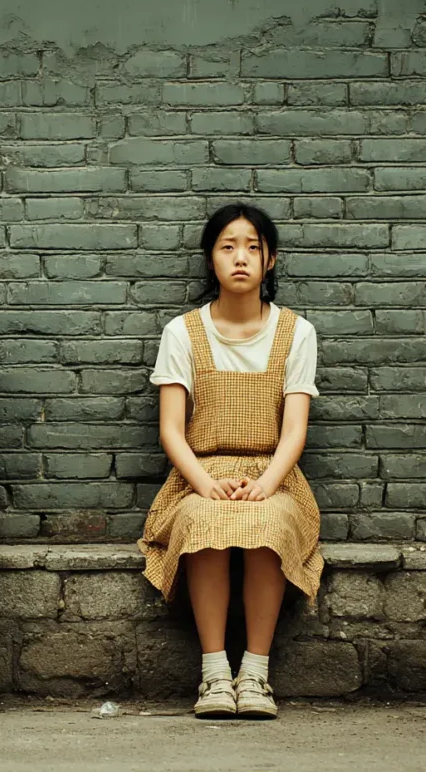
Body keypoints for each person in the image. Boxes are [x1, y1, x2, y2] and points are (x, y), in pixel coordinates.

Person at [139, 202, 323, 720]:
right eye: (227, 247)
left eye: (252, 248)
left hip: (274, 475)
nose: (240, 258)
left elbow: (295, 430)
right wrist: (204, 483)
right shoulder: (182, 332)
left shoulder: (296, 332)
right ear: (210, 259)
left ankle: (256, 673)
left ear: (270, 260)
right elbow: (171, 430)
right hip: (199, 475)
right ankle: (216, 672)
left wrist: (266, 484)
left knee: (268, 523)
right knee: (205, 521)